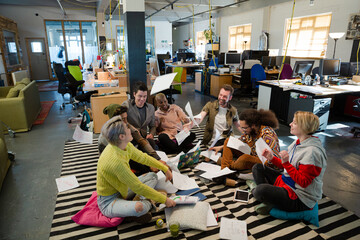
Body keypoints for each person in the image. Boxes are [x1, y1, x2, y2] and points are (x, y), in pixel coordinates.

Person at [96, 116, 176, 223]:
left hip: (122, 189)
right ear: (121, 136)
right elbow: (138, 187)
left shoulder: (124, 145)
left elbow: (143, 157)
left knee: (152, 176)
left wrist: (164, 168)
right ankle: (140, 207)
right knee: (140, 207)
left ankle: (138, 203)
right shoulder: (116, 161)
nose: (132, 130)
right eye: (128, 128)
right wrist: (165, 200)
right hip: (109, 201)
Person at [252, 111, 327, 215]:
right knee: (257, 167)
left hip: (299, 197)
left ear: (304, 127)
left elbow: (303, 182)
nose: (290, 124)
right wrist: (272, 158)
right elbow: (288, 168)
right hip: (287, 182)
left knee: (260, 190)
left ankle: (265, 196)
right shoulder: (297, 143)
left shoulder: (312, 152)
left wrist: (286, 163)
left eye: (294, 123)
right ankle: (267, 198)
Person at [98, 104, 163, 175]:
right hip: (116, 160)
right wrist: (149, 165)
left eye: (126, 118)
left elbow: (140, 140)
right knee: (144, 168)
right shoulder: (108, 135)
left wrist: (157, 159)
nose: (126, 122)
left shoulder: (126, 125)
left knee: (149, 142)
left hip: (126, 152)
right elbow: (126, 154)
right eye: (123, 119)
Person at [214, 109, 281, 171]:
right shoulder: (251, 131)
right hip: (252, 154)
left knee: (245, 159)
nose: (243, 130)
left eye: (245, 128)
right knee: (228, 141)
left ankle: (226, 163)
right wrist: (222, 147)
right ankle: (225, 169)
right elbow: (239, 141)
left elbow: (274, 161)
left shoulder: (268, 136)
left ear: (253, 125)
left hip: (265, 163)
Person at [122, 81, 157, 151]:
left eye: (145, 96)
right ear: (134, 94)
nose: (142, 99)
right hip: (130, 137)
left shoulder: (151, 108)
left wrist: (151, 134)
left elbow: (152, 125)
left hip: (144, 137)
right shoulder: (126, 105)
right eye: (140, 96)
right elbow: (122, 122)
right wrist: (133, 130)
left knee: (152, 146)